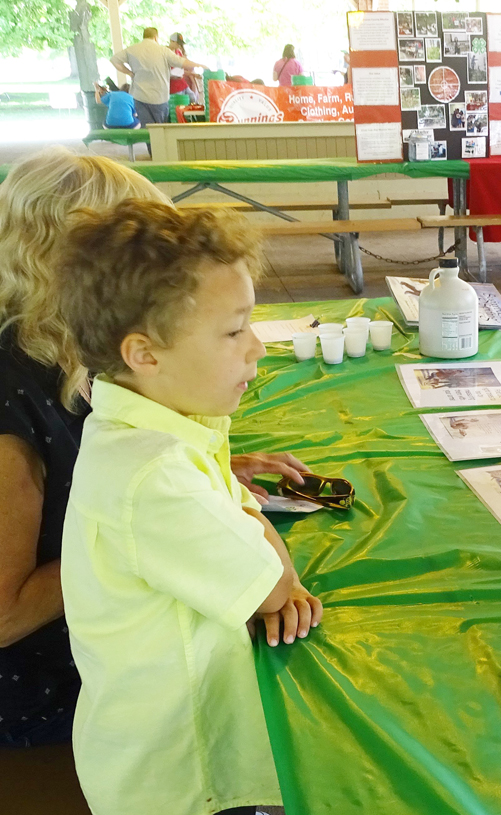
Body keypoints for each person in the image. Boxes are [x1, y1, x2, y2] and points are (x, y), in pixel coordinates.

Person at [0, 148, 311, 749]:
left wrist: (211, 475)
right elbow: (7, 614)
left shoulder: (77, 356)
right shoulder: (10, 394)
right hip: (63, 681)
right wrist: (140, 532)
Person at [56, 200, 323, 815]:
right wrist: (267, 555)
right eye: (234, 331)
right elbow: (276, 588)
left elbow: (247, 531)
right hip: (184, 782)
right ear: (144, 355)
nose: (257, 349)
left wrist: (246, 525)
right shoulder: (155, 472)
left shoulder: (163, 430)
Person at [110, 27, 208, 128]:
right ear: (156, 37)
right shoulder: (163, 51)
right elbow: (182, 62)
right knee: (161, 129)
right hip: (159, 96)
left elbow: (114, 60)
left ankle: (150, 144)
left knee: (147, 129)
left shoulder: (131, 49)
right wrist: (198, 65)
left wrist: (129, 73)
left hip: (139, 96)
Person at [168, 32, 200, 104]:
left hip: (182, 83)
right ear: (171, 41)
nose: (179, 45)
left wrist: (192, 74)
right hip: (173, 85)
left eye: (180, 44)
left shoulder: (178, 52)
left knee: (193, 98)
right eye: (177, 43)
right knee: (179, 103)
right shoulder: (166, 52)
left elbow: (180, 70)